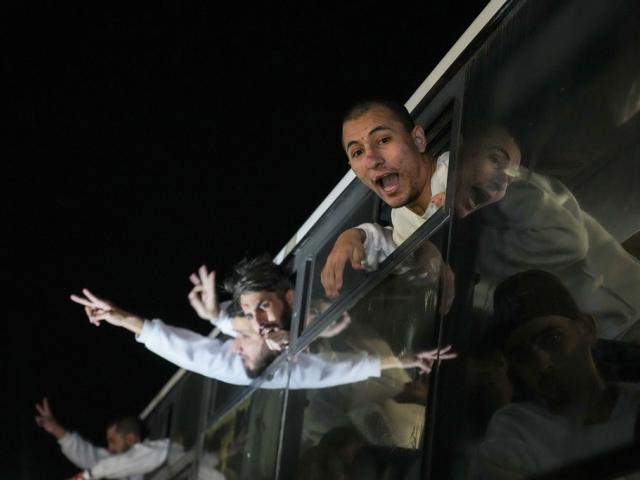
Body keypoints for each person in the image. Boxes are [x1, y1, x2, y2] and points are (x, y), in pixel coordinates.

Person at [70, 256, 453, 389]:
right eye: (249, 318)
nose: (253, 323)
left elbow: (184, 343)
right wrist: (403, 360)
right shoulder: (285, 362)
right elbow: (341, 368)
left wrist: (119, 317)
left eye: (260, 310)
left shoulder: (237, 348)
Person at [475, 270, 640, 479]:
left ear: (586, 329)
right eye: (523, 356)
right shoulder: (517, 430)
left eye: (552, 339)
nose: (543, 364)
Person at [35, 398, 168, 480]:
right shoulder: (114, 462)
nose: (109, 448)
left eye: (113, 441)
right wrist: (55, 429)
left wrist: (86, 476)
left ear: (131, 439)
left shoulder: (157, 451)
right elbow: (86, 454)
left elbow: (129, 461)